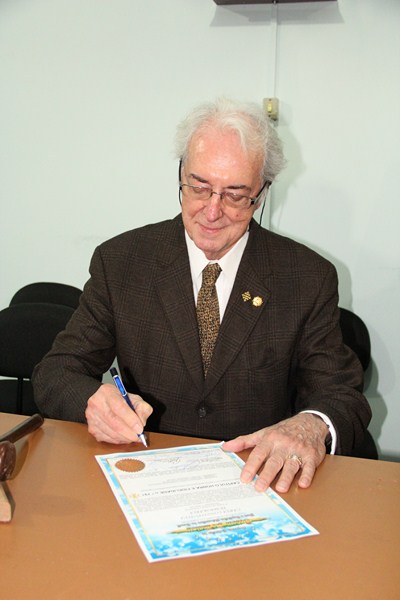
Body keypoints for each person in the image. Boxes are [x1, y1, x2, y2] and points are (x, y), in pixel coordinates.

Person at [32, 97, 371, 493]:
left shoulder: (306, 277)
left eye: (235, 194)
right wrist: (92, 399)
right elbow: (56, 372)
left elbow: (341, 395)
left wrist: (310, 425)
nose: (212, 211)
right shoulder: (122, 262)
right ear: (180, 174)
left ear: (261, 194)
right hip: (146, 474)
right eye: (199, 187)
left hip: (257, 482)